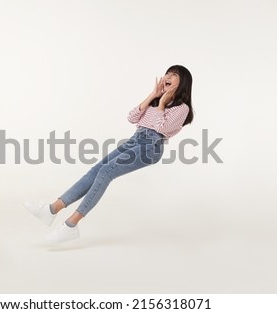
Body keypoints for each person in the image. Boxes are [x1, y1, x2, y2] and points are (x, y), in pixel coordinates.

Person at [24, 65, 194, 244]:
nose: (167, 76)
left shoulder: (182, 109)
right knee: (96, 170)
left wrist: (161, 104)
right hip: (135, 140)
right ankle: (51, 210)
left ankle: (70, 225)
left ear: (182, 83)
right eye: (167, 73)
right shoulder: (155, 100)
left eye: (173, 75)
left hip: (151, 147)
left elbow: (161, 128)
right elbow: (132, 117)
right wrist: (154, 96)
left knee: (106, 171)